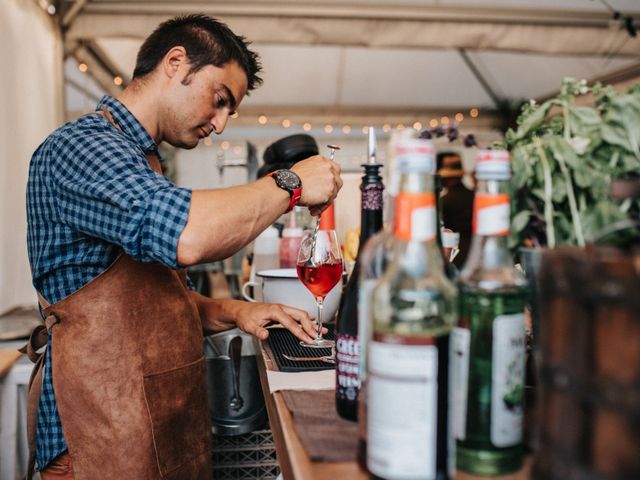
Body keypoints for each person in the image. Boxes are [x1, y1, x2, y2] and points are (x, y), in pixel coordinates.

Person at [23, 14, 342, 480]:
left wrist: (236, 311)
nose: (219, 124)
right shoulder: (81, 146)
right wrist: (291, 183)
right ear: (176, 63)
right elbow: (187, 235)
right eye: (219, 101)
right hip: (94, 442)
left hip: (151, 427)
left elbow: (147, 306)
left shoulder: (141, 162)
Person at [438, 152, 474, 268]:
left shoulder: (445, 201)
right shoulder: (474, 196)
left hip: (457, 255)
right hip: (476, 251)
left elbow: (446, 232)